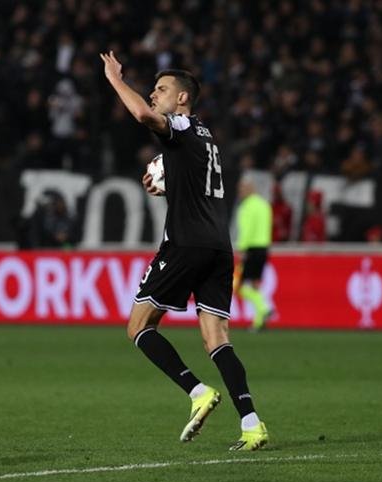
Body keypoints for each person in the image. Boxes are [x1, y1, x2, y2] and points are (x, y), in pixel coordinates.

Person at [100, 51, 268, 450]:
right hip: (218, 247)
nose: (153, 95)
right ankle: (252, 424)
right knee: (217, 339)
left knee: (139, 327)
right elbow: (194, 183)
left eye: (160, 89)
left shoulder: (178, 125)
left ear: (182, 98)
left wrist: (115, 80)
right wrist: (167, 183)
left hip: (184, 243)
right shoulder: (206, 139)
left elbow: (143, 116)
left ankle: (198, 392)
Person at [235, 177, 273, 332]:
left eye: (242, 189)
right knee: (256, 285)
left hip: (251, 248)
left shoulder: (246, 206)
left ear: (249, 189)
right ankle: (259, 322)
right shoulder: (264, 205)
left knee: (241, 287)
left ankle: (265, 308)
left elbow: (247, 229)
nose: (240, 192)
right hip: (264, 248)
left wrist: (242, 248)